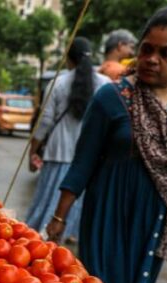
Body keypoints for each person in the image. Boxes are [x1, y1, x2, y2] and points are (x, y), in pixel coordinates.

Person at [46, 7, 167, 283]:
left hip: (155, 218)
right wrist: (58, 218)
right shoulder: (111, 98)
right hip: (108, 213)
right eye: (147, 49)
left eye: (166, 53)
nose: (152, 59)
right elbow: (82, 164)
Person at [25, 37, 111, 244]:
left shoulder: (59, 83)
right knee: (75, 205)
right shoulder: (105, 85)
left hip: (58, 152)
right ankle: (67, 239)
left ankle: (40, 244)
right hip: (88, 158)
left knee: (48, 201)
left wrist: (32, 150)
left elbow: (44, 122)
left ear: (69, 59)